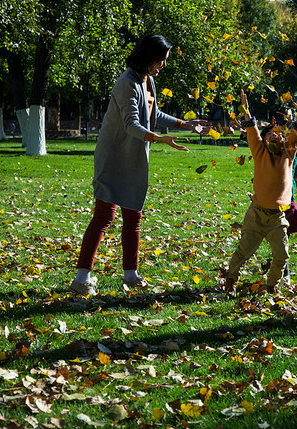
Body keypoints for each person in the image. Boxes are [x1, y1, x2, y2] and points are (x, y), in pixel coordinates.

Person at [69, 34, 208, 296]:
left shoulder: (149, 81)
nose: (164, 65)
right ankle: (81, 278)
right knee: (104, 216)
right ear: (149, 57)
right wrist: (160, 139)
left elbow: (153, 114)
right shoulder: (126, 83)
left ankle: (130, 275)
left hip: (134, 157)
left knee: (134, 215)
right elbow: (132, 124)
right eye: (162, 60)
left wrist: (184, 124)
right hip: (113, 156)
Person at [223, 90, 297, 296]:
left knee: (282, 255)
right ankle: (231, 280)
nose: (276, 135)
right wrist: (245, 109)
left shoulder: (288, 155)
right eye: (270, 133)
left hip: (278, 217)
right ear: (264, 140)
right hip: (256, 215)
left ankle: (272, 285)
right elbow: (252, 129)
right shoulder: (259, 152)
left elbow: (295, 135)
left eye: (279, 134)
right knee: (243, 252)